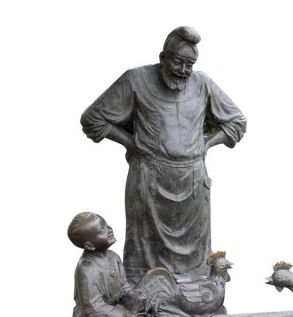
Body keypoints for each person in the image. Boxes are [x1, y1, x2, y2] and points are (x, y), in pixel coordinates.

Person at [81, 26, 247, 285]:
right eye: (178, 62)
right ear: (163, 57)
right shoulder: (136, 79)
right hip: (149, 177)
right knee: (144, 256)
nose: (183, 70)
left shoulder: (203, 84)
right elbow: (93, 119)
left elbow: (237, 122)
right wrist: (131, 143)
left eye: (189, 65)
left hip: (192, 180)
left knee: (196, 262)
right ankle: (142, 297)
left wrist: (207, 143)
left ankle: (198, 297)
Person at [59, 212, 150, 317]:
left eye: (106, 225)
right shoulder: (87, 269)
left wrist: (135, 299)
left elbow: (124, 286)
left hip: (114, 311)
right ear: (89, 245)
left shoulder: (113, 257)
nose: (109, 230)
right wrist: (126, 316)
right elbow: (94, 307)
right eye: (102, 231)